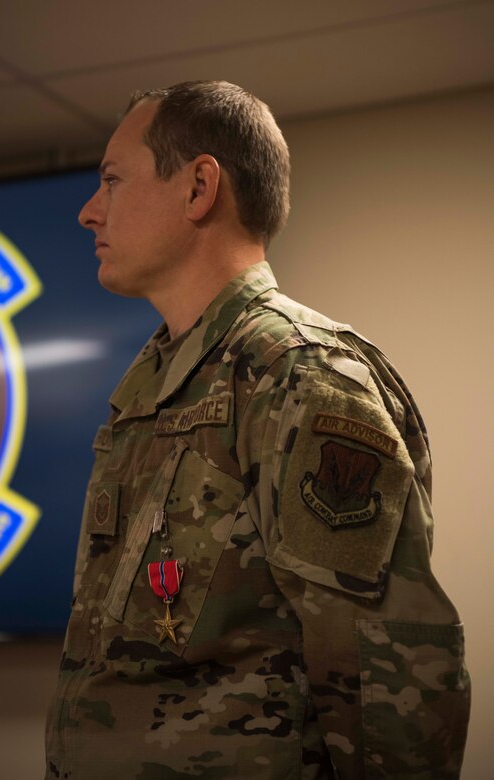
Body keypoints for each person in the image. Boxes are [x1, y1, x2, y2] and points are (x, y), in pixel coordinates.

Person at [45, 81, 470, 780]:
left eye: (113, 182)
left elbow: (386, 678)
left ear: (198, 187)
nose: (91, 212)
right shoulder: (154, 386)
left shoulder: (299, 376)